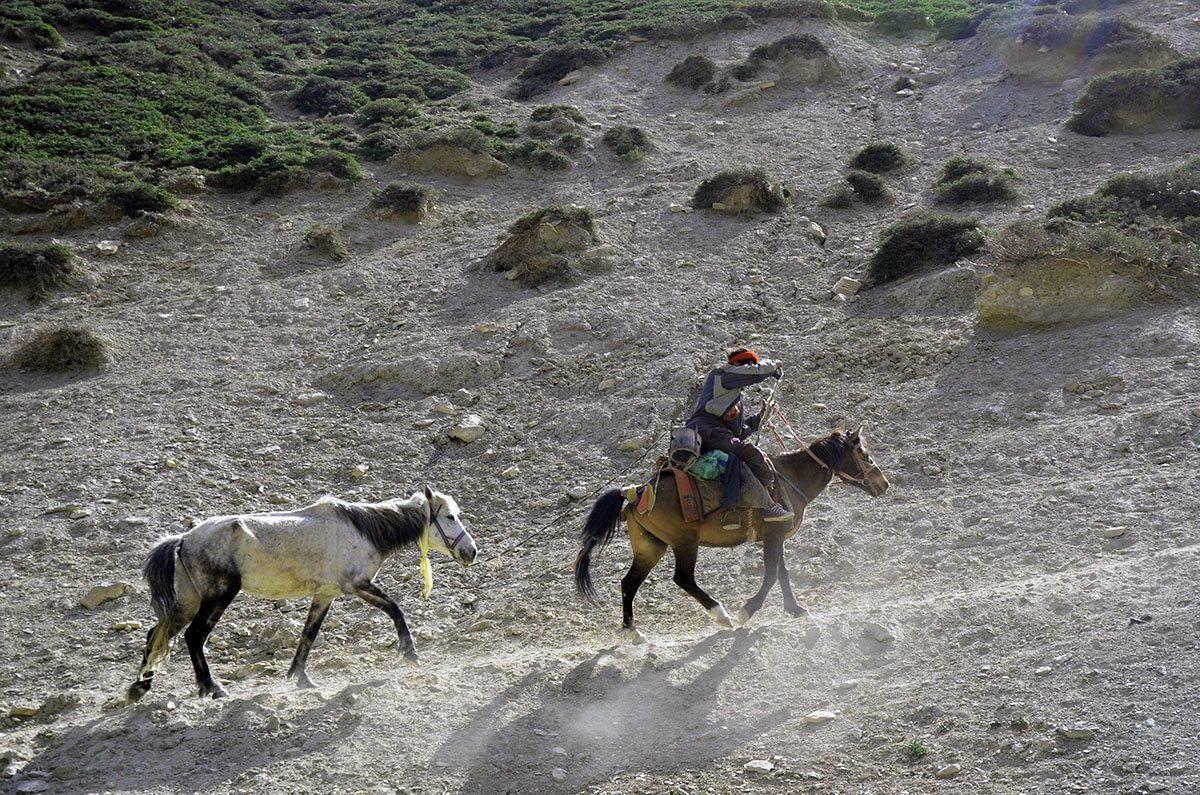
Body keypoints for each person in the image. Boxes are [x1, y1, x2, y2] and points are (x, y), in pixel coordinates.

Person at [685, 347, 794, 522]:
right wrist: (773, 365)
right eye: (747, 365)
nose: (749, 369)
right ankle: (769, 505)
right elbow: (756, 372)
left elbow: (740, 432)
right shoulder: (721, 374)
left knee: (744, 452)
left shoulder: (731, 398)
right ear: (735, 364)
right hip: (705, 430)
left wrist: (761, 417)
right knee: (751, 452)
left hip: (715, 434)